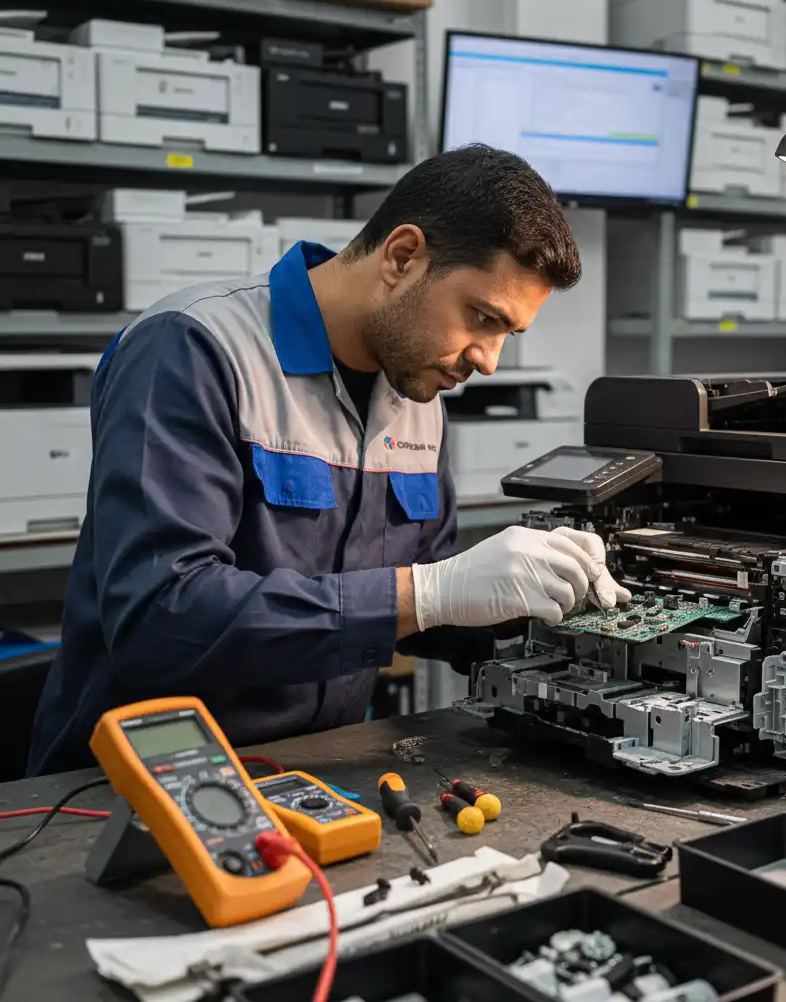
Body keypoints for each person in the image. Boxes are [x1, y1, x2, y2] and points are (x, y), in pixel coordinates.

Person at [27, 144, 629, 775]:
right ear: (402, 256)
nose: (489, 360)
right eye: (482, 318)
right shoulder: (193, 349)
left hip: (316, 770)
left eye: (507, 334)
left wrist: (538, 606)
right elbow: (161, 616)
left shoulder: (416, 393)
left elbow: (424, 600)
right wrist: (431, 592)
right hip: (133, 785)